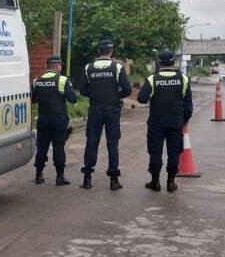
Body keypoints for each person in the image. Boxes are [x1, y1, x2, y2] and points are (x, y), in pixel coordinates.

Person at [137, 51, 193, 193]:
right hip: (176, 121)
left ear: (159, 62)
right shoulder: (184, 79)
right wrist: (185, 120)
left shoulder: (152, 79)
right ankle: (171, 182)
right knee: (174, 152)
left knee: (155, 151)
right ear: (174, 62)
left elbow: (142, 99)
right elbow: (188, 105)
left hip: (157, 122)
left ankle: (155, 182)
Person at [79, 39, 131, 190]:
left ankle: (87, 179)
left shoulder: (89, 67)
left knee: (91, 143)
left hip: (95, 109)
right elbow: (127, 89)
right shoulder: (117, 67)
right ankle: (114, 180)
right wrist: (115, 95)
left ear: (98, 51)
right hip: (112, 110)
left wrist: (95, 95)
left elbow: (83, 90)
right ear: (111, 51)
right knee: (112, 144)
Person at [32, 56, 78, 186]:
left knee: (41, 147)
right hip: (59, 119)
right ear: (57, 66)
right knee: (58, 147)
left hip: (43, 119)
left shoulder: (37, 81)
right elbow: (73, 98)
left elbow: (33, 99)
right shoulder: (62, 80)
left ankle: (38, 175)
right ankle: (59, 177)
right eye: (60, 65)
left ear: (48, 66)